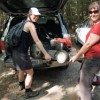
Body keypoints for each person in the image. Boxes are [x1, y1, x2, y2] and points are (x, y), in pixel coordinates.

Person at [12, 7, 51, 99]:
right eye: (34, 15)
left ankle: (21, 85)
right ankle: (28, 92)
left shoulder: (23, 22)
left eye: (37, 16)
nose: (36, 17)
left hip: (15, 51)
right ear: (29, 14)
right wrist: (45, 53)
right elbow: (37, 40)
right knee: (30, 72)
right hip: (21, 54)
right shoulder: (30, 25)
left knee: (21, 70)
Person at [69, 1, 100, 100]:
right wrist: (84, 55)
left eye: (96, 11)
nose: (93, 14)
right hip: (91, 58)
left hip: (93, 60)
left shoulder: (98, 26)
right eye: (90, 12)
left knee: (84, 86)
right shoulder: (95, 25)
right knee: (86, 81)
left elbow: (88, 44)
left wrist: (76, 56)